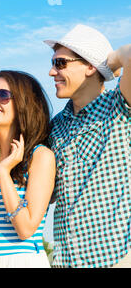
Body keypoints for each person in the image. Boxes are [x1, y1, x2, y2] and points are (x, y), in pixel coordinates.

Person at [44, 24, 130, 268]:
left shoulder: (119, 107)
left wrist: (109, 62)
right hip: (65, 262)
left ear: (91, 67)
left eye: (61, 63)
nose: (52, 72)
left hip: (115, 260)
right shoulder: (55, 126)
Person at [0, 70, 55, 268]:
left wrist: (4, 172)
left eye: (2, 95)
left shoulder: (41, 156)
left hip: (21, 261)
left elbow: (25, 228)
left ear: (24, 104)